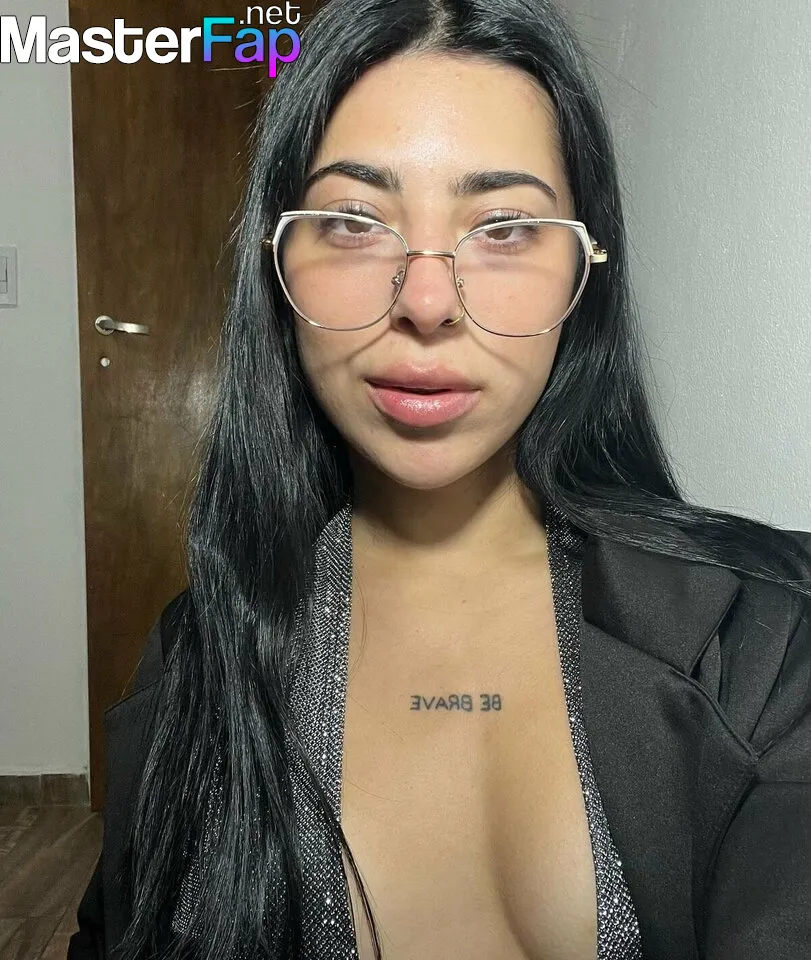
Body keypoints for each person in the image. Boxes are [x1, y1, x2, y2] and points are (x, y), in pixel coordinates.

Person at [67, 0, 811, 958]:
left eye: (504, 227)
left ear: (585, 268)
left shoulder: (764, 644)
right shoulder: (199, 654)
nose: (426, 302)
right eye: (351, 221)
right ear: (274, 263)